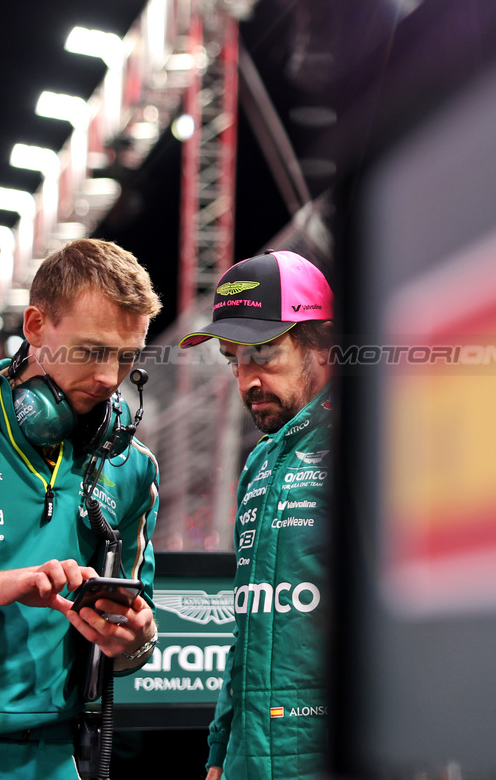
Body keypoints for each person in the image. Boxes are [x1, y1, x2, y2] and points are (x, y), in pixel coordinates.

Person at [0, 238, 162, 780]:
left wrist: (136, 642)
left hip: (52, 755)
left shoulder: (132, 468)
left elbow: (134, 640)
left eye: (126, 357)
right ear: (34, 325)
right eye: (93, 350)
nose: (109, 379)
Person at [180, 250, 334, 780]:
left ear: (322, 346)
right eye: (234, 358)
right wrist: (220, 751)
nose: (247, 380)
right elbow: (247, 628)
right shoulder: (259, 463)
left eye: (264, 353)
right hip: (250, 753)